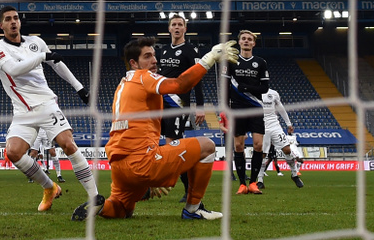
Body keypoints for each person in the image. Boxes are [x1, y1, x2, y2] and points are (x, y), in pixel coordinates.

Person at [71, 36, 238, 221]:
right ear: (134, 63)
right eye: (148, 56)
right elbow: (180, 85)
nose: (154, 60)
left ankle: (101, 207)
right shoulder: (143, 77)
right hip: (142, 162)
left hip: (118, 166)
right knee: (207, 146)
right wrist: (210, 58)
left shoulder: (122, 85)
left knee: (122, 208)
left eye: (155, 56)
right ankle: (193, 209)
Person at [0, 6, 100, 212]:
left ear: (20, 22)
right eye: (8, 19)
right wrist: (42, 57)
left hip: (46, 104)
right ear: (1, 25)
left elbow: (57, 63)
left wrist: (80, 88)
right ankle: (49, 187)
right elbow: (13, 69)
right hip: (22, 111)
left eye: (16, 18)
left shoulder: (36, 42)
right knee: (13, 153)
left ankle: (95, 197)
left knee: (67, 144)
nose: (13, 22)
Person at [155, 14, 206, 203]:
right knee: (154, 142)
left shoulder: (191, 50)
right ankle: (149, 183)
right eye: (174, 25)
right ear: (169, 29)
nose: (177, 27)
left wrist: (199, 107)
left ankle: (189, 189)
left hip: (179, 104)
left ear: (185, 29)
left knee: (173, 146)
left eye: (180, 25)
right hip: (160, 103)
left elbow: (197, 79)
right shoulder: (164, 50)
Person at [222, 30, 269, 195]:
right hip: (237, 109)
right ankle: (242, 184)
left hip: (256, 107)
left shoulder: (260, 62)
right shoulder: (231, 61)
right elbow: (225, 87)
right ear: (239, 42)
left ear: (254, 43)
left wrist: (247, 88)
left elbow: (265, 88)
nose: (247, 41)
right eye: (244, 39)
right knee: (238, 145)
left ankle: (254, 182)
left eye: (250, 39)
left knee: (258, 144)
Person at [256, 89, 304, 189]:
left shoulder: (273, 93)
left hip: (275, 126)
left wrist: (288, 123)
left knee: (287, 149)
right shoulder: (253, 92)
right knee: (263, 154)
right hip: (261, 126)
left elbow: (281, 108)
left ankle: (294, 175)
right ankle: (260, 180)